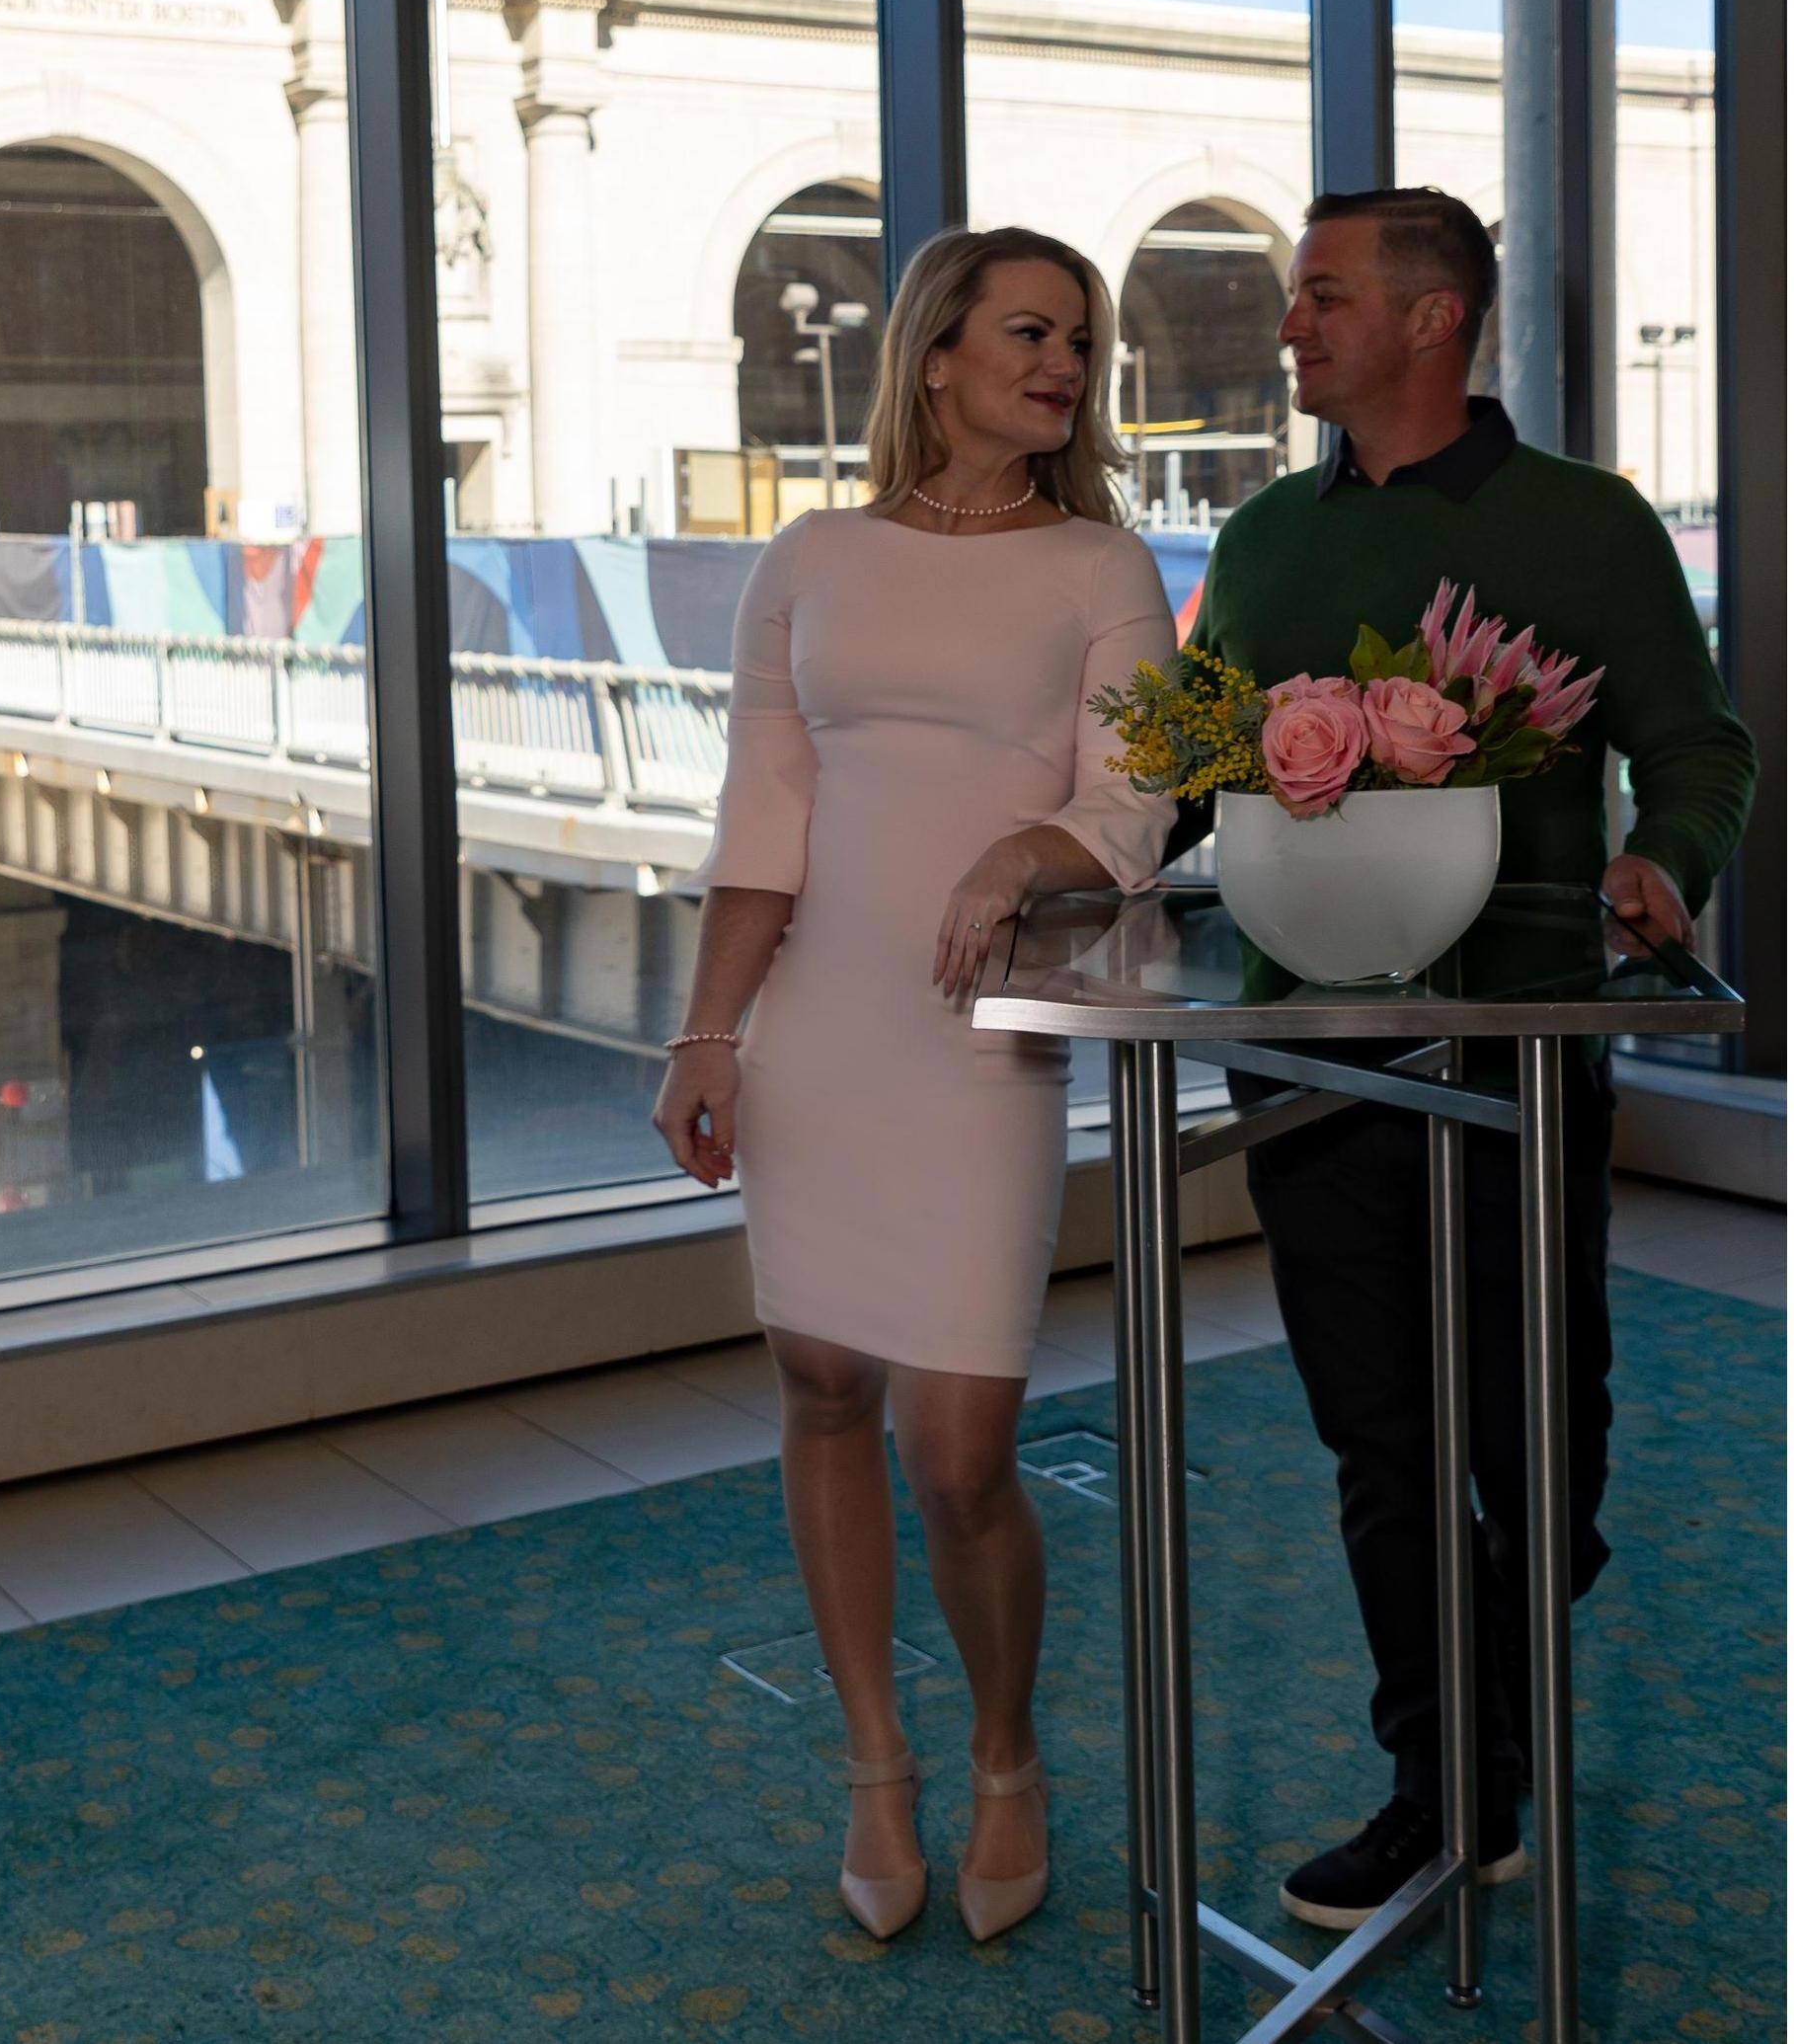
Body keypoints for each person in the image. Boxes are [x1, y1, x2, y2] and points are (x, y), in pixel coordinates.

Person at [1177, 187, 1755, 1929]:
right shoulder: (1266, 536)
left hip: (1511, 1046)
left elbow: (1695, 740)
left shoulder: (1585, 525)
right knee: (1379, 1441)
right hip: (1307, 1049)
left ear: (1435, 319)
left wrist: (1667, 861)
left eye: (1321, 296)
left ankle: (1483, 1717)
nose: (1288, 328)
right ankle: (1446, 1789)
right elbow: (1192, 760)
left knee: (1540, 1449)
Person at [652, 227, 1176, 1941]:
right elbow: (762, 821)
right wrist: (707, 1032)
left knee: (958, 1449)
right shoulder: (808, 554)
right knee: (817, 1380)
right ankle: (875, 1758)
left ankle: (1007, 1750)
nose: (1064, 366)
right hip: (816, 1023)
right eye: (1031, 331)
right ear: (935, 352)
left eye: (1080, 343)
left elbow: (1136, 804)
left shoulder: (1102, 564)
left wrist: (1026, 842)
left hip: (983, 1029)